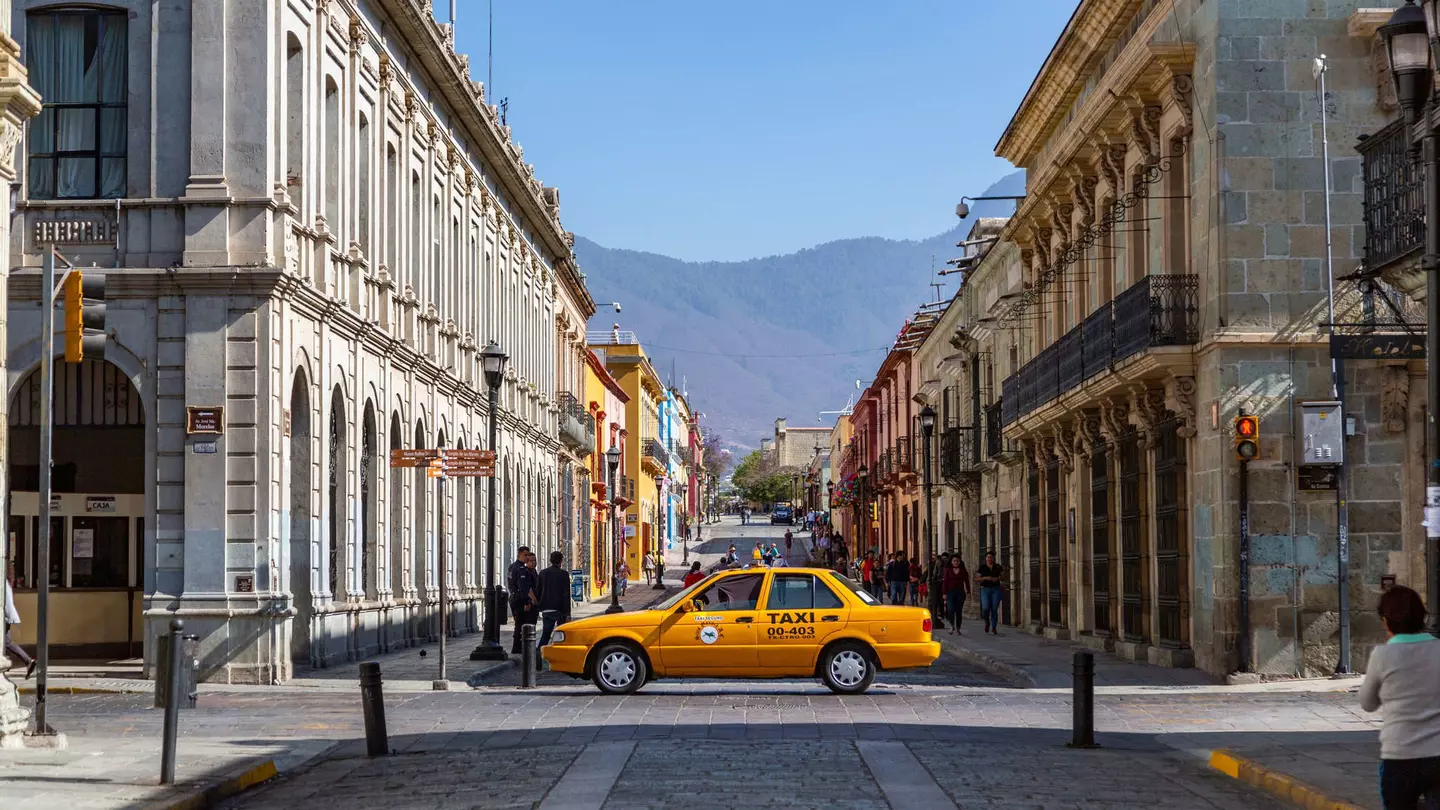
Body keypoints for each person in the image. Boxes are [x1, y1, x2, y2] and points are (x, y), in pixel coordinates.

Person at [1359, 585, 1440, 808]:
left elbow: (1367, 703)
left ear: (1386, 621)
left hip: (1400, 756)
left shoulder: (1382, 655)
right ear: (1422, 617)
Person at [535, 551, 573, 648]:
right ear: (561, 561)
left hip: (546, 608)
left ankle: (538, 653)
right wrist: (568, 613)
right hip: (559, 609)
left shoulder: (543, 573)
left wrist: (538, 605)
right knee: (561, 634)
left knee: (545, 634)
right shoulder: (564, 574)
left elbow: (537, 591)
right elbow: (566, 595)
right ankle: (559, 652)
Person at [3, 567, 34, 678]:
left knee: (6, 642)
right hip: (6, 617)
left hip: (4, 618)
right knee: (6, 642)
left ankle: (27, 661)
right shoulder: (5, 582)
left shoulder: (2, 583)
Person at [510, 551, 539, 655]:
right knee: (523, 625)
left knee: (528, 625)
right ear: (526, 562)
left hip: (530, 603)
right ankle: (519, 647)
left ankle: (526, 646)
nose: (534, 563)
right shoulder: (524, 571)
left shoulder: (533, 571)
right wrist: (529, 602)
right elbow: (526, 588)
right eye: (531, 561)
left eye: (535, 561)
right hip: (525, 603)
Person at [977, 551, 1004, 634]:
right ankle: (987, 622)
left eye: (991, 557)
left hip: (996, 589)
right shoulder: (982, 567)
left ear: (993, 558)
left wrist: (998, 579)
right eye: (988, 557)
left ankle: (994, 627)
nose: (989, 559)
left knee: (994, 609)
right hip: (985, 589)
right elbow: (977, 579)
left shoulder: (998, 567)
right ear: (986, 558)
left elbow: (1003, 577)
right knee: (985, 608)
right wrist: (986, 578)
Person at [944, 555, 972, 634]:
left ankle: (958, 628)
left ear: (960, 562)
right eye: (954, 561)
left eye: (957, 561)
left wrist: (968, 591)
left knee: (958, 611)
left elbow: (966, 581)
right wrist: (944, 593)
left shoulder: (963, 570)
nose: (956, 562)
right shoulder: (948, 570)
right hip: (950, 592)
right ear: (951, 562)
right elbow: (945, 582)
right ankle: (951, 626)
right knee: (950, 609)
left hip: (960, 592)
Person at [927, 553, 946, 628]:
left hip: (935, 586)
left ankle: (935, 619)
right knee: (934, 604)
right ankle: (935, 620)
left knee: (934, 604)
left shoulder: (936, 564)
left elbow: (931, 576)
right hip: (936, 586)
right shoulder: (935, 564)